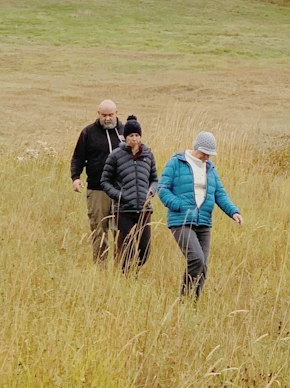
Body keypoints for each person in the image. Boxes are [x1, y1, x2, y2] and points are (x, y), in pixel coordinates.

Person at [157, 130, 243, 297]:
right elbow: (163, 189)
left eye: (210, 154)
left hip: (204, 222)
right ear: (197, 148)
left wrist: (233, 212)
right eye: (205, 153)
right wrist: (179, 205)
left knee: (202, 266)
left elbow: (220, 194)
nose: (207, 157)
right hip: (181, 220)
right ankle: (184, 298)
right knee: (196, 258)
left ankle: (193, 302)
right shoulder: (176, 162)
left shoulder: (210, 169)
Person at [101, 116, 158, 272]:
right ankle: (127, 277)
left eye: (137, 135)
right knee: (127, 249)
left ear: (141, 136)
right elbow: (105, 181)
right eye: (131, 136)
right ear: (125, 137)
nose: (134, 139)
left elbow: (154, 179)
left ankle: (135, 271)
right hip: (123, 210)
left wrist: (151, 191)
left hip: (144, 210)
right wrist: (119, 195)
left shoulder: (148, 155)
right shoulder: (115, 156)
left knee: (144, 251)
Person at [70, 99, 124, 262]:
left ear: (117, 113)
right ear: (98, 114)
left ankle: (121, 268)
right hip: (97, 189)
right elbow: (78, 157)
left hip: (121, 190)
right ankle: (100, 269)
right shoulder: (88, 133)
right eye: (104, 115)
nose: (107, 118)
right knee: (99, 229)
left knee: (121, 230)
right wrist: (76, 178)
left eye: (110, 115)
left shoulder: (125, 132)